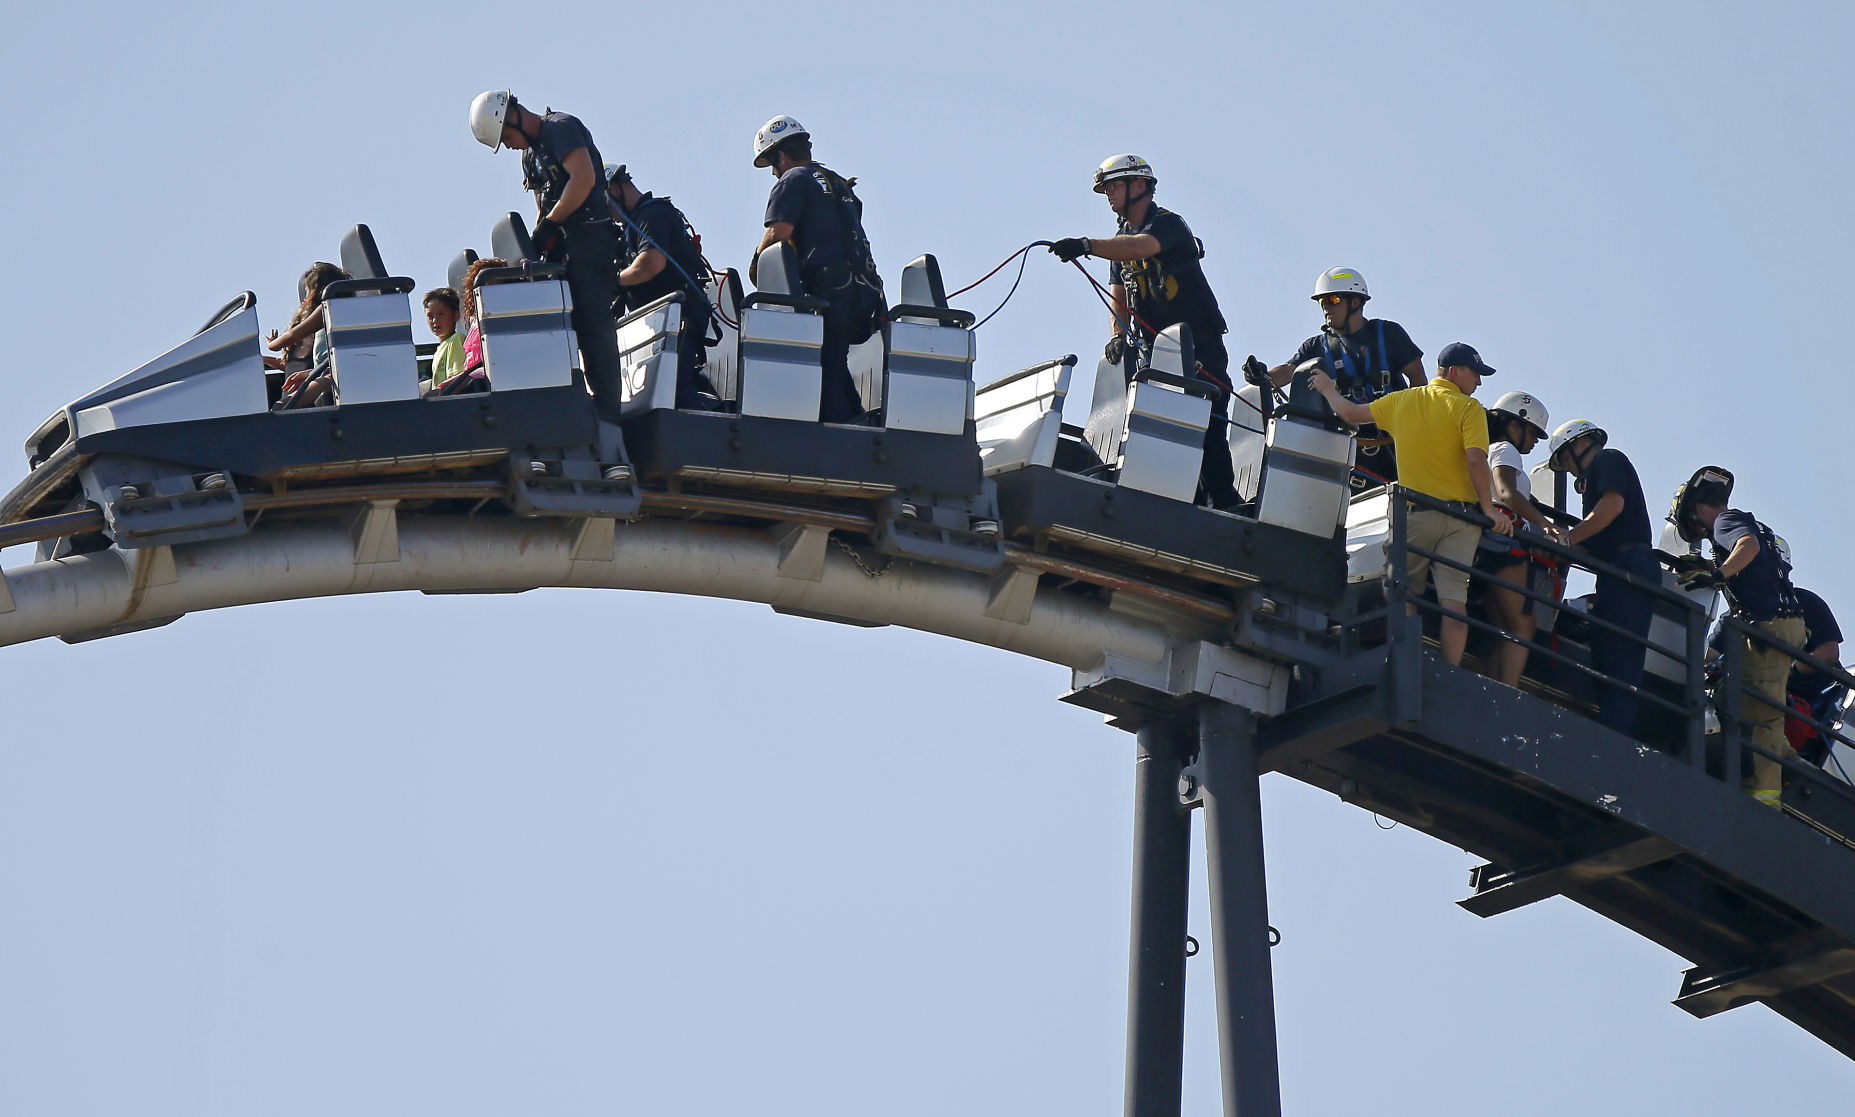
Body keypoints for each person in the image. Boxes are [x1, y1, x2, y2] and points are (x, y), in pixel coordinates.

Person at [1048, 155, 1240, 510]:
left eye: (1113, 186)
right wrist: (1118, 335)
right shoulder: (1119, 239)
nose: (1108, 194)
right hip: (1154, 351)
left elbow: (1141, 248)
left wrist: (1086, 244)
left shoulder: (1168, 224)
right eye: (1105, 188)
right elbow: (1119, 289)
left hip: (1199, 345)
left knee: (1208, 426)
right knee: (1159, 425)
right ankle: (1182, 498)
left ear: (1140, 186)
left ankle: (1224, 503)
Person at [1311, 341, 1511, 667]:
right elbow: (1476, 459)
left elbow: (1349, 413)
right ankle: (1449, 669)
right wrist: (1488, 509)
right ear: (1455, 371)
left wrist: (1328, 389)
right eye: (1476, 374)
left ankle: (1407, 660)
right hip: (1462, 522)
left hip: (1416, 516)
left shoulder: (1402, 400)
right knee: (1454, 605)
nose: (1479, 382)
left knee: (1403, 590)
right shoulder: (1469, 408)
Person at [469, 90, 623, 417]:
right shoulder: (530, 156)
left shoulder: (561, 128)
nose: (509, 145)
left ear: (512, 117)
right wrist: (537, 240)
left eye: (506, 137)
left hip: (590, 243)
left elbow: (583, 179)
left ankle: (609, 419)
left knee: (593, 330)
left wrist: (551, 224)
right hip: (562, 251)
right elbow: (543, 206)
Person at [751, 115, 886, 423]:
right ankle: (857, 419)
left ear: (781, 156)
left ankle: (846, 431)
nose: (774, 172)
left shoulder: (792, 180)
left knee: (822, 367)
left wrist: (757, 264)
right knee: (833, 364)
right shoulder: (838, 183)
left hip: (829, 294)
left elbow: (777, 236)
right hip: (865, 292)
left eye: (773, 164)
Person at [1679, 485, 1807, 806]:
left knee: (1763, 715)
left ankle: (1765, 801)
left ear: (1697, 511)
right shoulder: (1745, 525)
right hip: (1777, 624)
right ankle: (1788, 758)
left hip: (1768, 625)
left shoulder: (1725, 521)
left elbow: (1746, 546)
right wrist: (1707, 570)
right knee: (1730, 695)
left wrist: (1718, 574)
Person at [1269, 267, 1424, 490]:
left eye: (1333, 299)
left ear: (1355, 302)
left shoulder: (1388, 333)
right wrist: (1263, 376)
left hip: (1396, 441)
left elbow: (1418, 379)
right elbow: (1289, 370)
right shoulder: (1316, 346)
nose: (1326, 307)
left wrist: (1414, 425)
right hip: (1349, 447)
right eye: (1322, 302)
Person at [1549, 418, 1656, 738]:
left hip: (1630, 567)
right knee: (1607, 652)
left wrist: (1568, 540)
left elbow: (1612, 507)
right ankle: (1611, 726)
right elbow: (1594, 539)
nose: (1569, 470)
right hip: (1615, 571)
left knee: (1620, 656)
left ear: (1580, 445)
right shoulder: (1593, 482)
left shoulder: (1608, 461)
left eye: (1566, 460)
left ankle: (1616, 734)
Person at [606, 162, 718, 410]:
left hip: (680, 316)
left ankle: (698, 443)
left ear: (614, 190)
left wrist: (613, 281)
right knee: (663, 390)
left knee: (675, 389)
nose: (608, 215)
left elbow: (651, 263)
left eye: (605, 205)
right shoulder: (632, 226)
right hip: (664, 319)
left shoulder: (651, 215)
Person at [1475, 391, 1561, 687]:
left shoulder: (1484, 449)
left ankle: (1492, 686)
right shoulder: (1505, 450)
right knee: (1522, 626)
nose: (1535, 441)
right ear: (1516, 424)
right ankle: (1506, 691)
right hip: (1505, 544)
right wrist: (1545, 525)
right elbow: (1508, 494)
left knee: (1502, 628)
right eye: (1534, 433)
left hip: (1486, 542)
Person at [265, 261, 350, 410]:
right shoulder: (338, 308)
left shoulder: (327, 308)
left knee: (281, 407)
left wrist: (272, 345)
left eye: (308, 291)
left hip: (333, 374)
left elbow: (292, 335)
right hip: (326, 371)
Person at [1786, 586, 1845, 766]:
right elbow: (1710, 654)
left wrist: (1785, 669)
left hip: (1813, 706)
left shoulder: (1801, 601)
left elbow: (1828, 654)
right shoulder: (1739, 613)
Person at [423, 287, 464, 394]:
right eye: (430, 315)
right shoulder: (438, 351)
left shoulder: (456, 340)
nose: (435, 320)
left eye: (441, 314)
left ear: (456, 315)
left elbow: (458, 379)